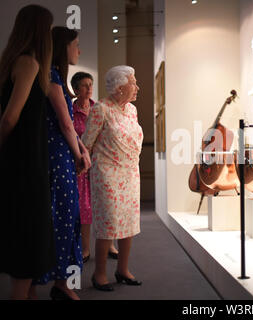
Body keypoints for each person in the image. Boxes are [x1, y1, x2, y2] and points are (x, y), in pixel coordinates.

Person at [0, 4, 55, 300]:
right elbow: (10, 117)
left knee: (26, 242)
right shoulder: (29, 64)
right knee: (27, 244)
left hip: (20, 163)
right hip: (25, 166)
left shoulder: (12, 62)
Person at [33, 26, 91, 301]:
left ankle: (60, 282)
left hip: (62, 156)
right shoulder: (51, 77)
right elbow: (66, 124)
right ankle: (46, 283)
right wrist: (79, 153)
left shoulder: (56, 77)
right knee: (60, 218)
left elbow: (70, 128)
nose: (79, 50)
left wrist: (81, 150)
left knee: (66, 217)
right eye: (76, 44)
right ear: (62, 47)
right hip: (56, 158)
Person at [82, 66, 143, 292]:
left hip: (130, 173)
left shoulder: (132, 110)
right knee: (108, 223)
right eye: (133, 83)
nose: (137, 87)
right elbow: (86, 142)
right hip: (106, 174)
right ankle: (99, 275)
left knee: (128, 222)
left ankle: (123, 269)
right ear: (118, 88)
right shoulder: (101, 109)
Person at [71, 72, 119, 263]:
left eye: (91, 84)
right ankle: (85, 249)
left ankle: (110, 245)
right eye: (84, 85)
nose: (89, 88)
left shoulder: (98, 108)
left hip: (101, 164)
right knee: (85, 207)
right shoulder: (70, 111)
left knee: (106, 205)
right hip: (81, 166)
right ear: (76, 90)